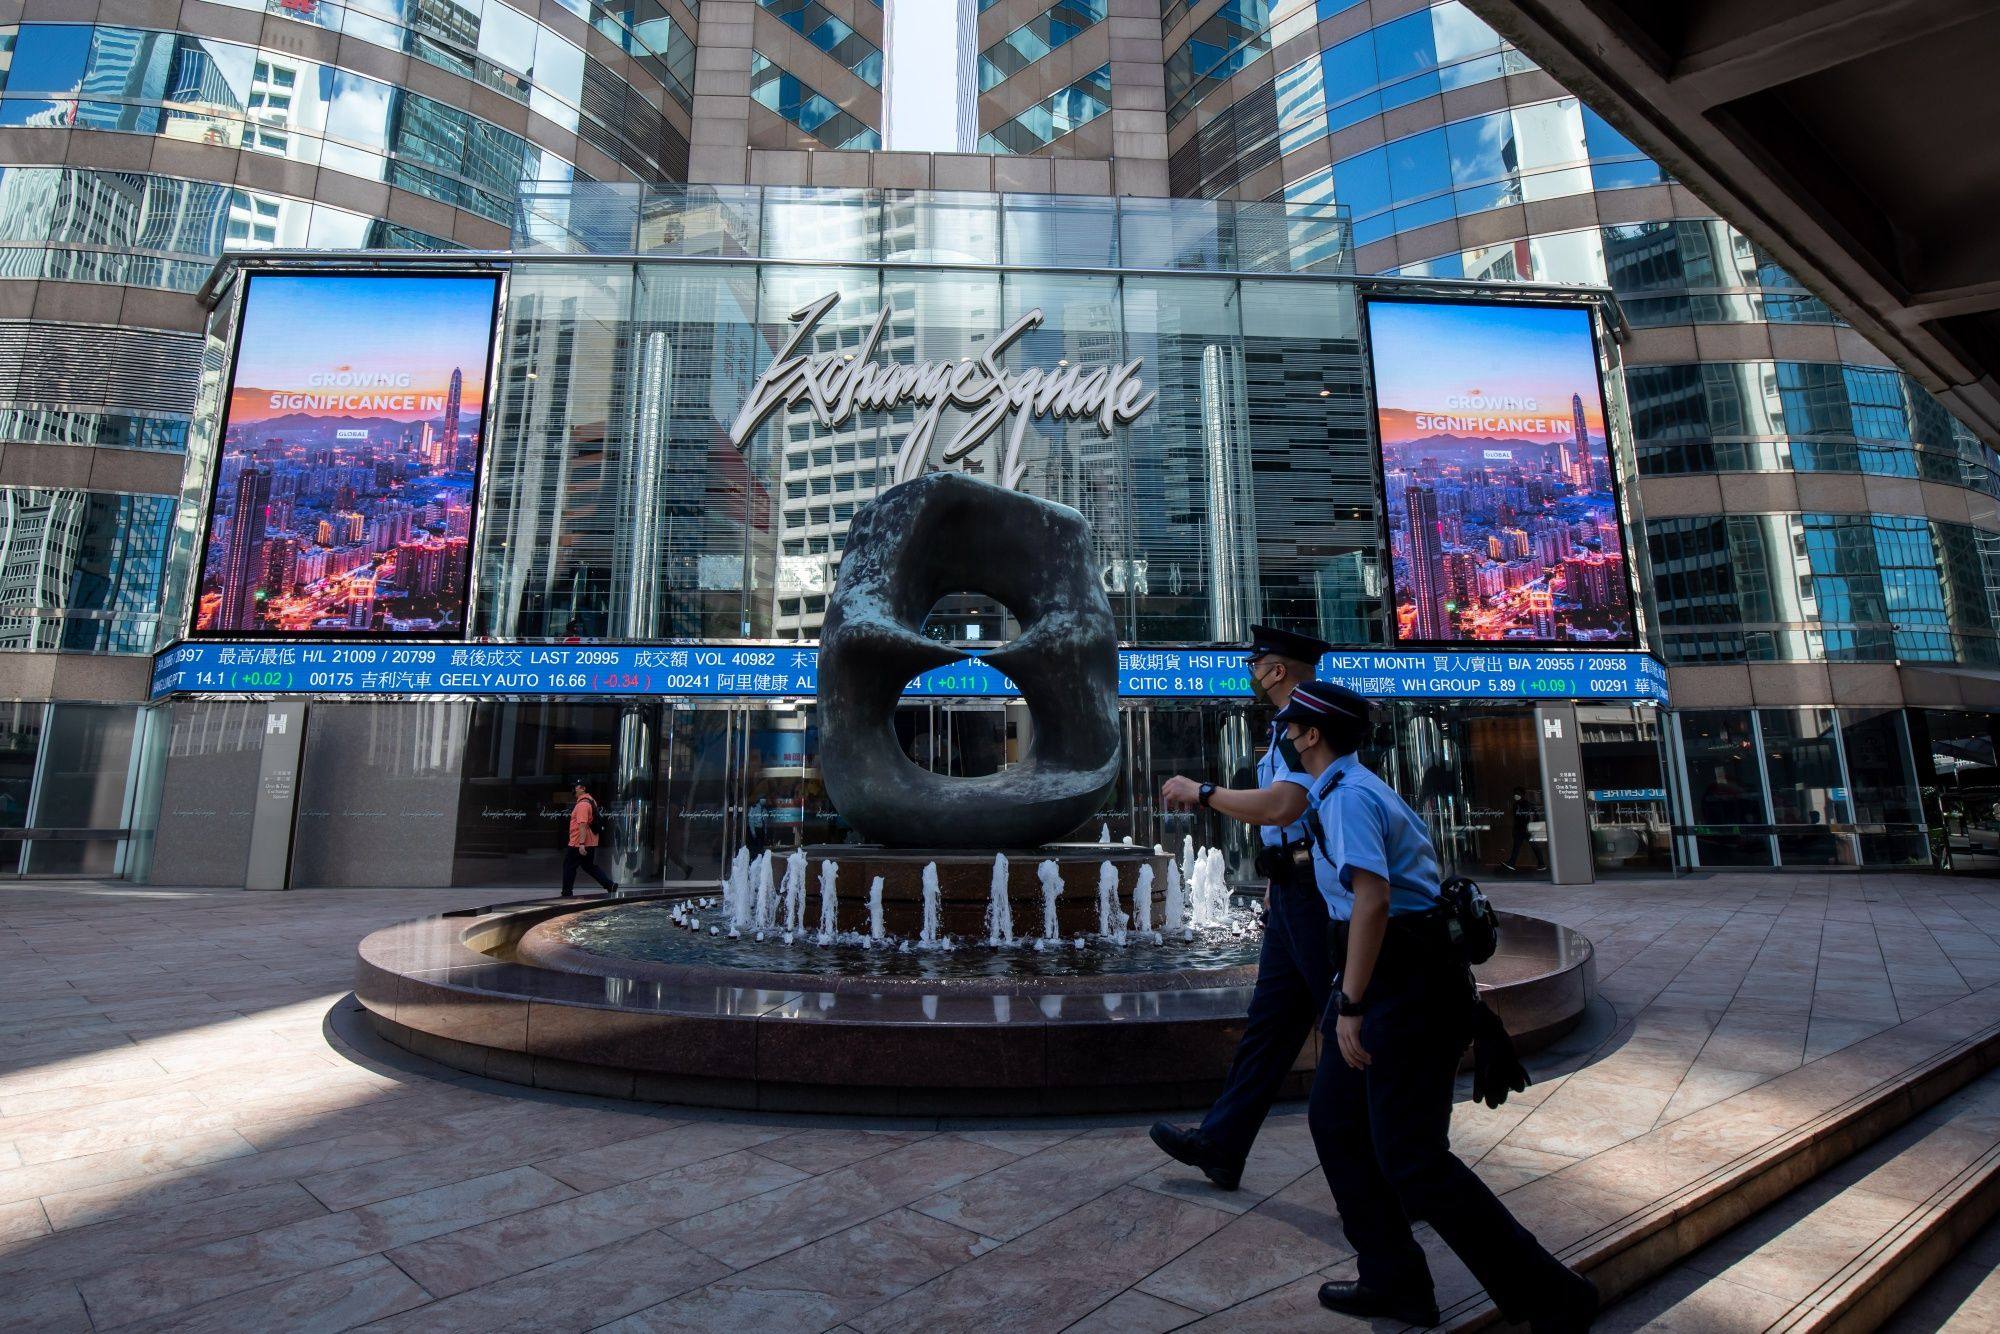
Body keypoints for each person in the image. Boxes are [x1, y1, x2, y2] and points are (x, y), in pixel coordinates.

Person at [1274, 682, 1597, 1331]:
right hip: (1391, 980)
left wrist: (1352, 1004)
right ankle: (1394, 1279)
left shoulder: (1350, 797)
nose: (1282, 729)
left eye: (1292, 723)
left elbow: (1373, 901)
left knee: (1413, 1160)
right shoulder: (1338, 792)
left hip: (1406, 990)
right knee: (1337, 1125)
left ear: (1312, 736)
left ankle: (1553, 1296)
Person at [1149, 623, 1334, 1190]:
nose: (1252, 674)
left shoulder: (1306, 726)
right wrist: (1277, 876)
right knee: (1271, 1025)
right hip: (1292, 892)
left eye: (1257, 664)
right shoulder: (1285, 726)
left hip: (1318, 897)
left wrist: (1202, 792)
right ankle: (1222, 1144)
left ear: (1276, 670)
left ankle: (1405, 1167)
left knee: (1351, 1022)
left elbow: (1284, 806)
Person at [562, 780, 616, 896]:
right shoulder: (591, 801)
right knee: (589, 866)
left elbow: (582, 825)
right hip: (590, 841)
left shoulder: (582, 805)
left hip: (578, 843)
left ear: (583, 788)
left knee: (569, 866)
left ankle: (566, 892)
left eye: (576, 787)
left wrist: (581, 844)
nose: (574, 789)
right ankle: (609, 884)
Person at [1504, 785, 1543, 872]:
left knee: (1533, 846)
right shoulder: (1516, 805)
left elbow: (1534, 817)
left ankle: (1541, 863)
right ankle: (1512, 863)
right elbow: (1516, 818)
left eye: (1517, 794)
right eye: (1515, 794)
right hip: (1520, 830)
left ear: (1522, 794)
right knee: (1517, 847)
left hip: (1526, 829)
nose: (1515, 795)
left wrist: (1532, 827)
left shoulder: (1527, 805)